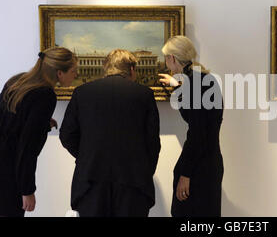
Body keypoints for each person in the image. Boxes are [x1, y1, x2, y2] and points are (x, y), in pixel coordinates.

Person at [59, 49, 160, 217]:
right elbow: (153, 142)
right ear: (132, 70)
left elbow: (67, 135)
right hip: (133, 182)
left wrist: (86, 156)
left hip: (90, 181)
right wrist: (144, 170)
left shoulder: (82, 92)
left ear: (106, 68)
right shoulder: (145, 94)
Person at [0, 47, 78, 217]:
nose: (76, 75)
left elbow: (11, 123)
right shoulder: (45, 95)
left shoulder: (17, 81)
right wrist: (27, 190)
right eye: (73, 71)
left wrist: (42, 123)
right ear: (59, 73)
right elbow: (27, 147)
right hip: (9, 175)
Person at [159, 36, 224, 217]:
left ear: (172, 58)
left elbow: (197, 133)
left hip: (199, 167)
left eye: (166, 58)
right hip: (209, 161)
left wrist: (186, 174)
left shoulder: (194, 82)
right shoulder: (202, 79)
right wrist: (176, 85)